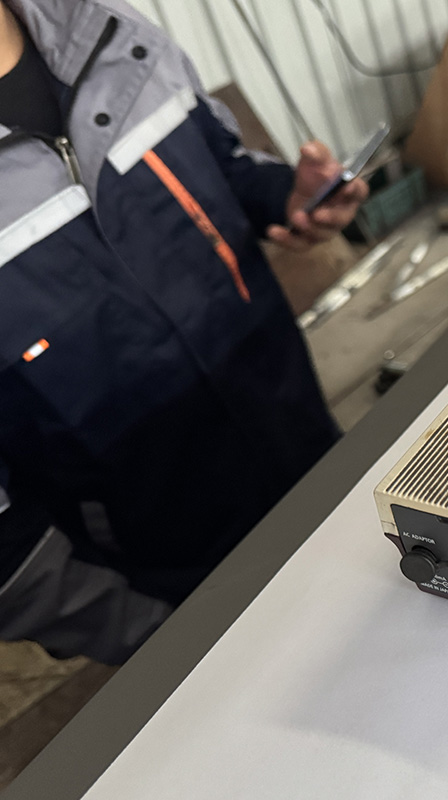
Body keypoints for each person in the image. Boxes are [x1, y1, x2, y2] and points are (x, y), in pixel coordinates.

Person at [0, 0, 367, 664]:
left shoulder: (103, 29)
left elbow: (217, 162)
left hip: (314, 458)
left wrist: (282, 196)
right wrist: (153, 638)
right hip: (177, 593)